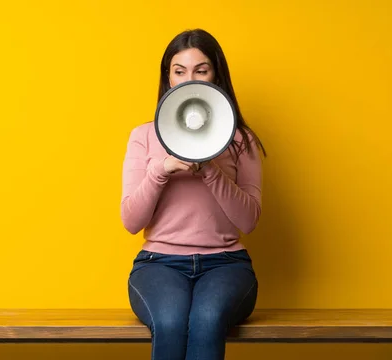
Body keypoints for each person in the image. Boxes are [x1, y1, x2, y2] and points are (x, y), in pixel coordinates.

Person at [120, 28, 267, 360]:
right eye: (179, 71)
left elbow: (249, 220)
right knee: (171, 321)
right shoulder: (142, 136)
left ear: (216, 76)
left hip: (227, 265)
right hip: (159, 264)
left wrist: (210, 170)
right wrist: (162, 170)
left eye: (201, 70)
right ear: (168, 78)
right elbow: (131, 221)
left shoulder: (242, 141)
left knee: (207, 318)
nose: (190, 79)